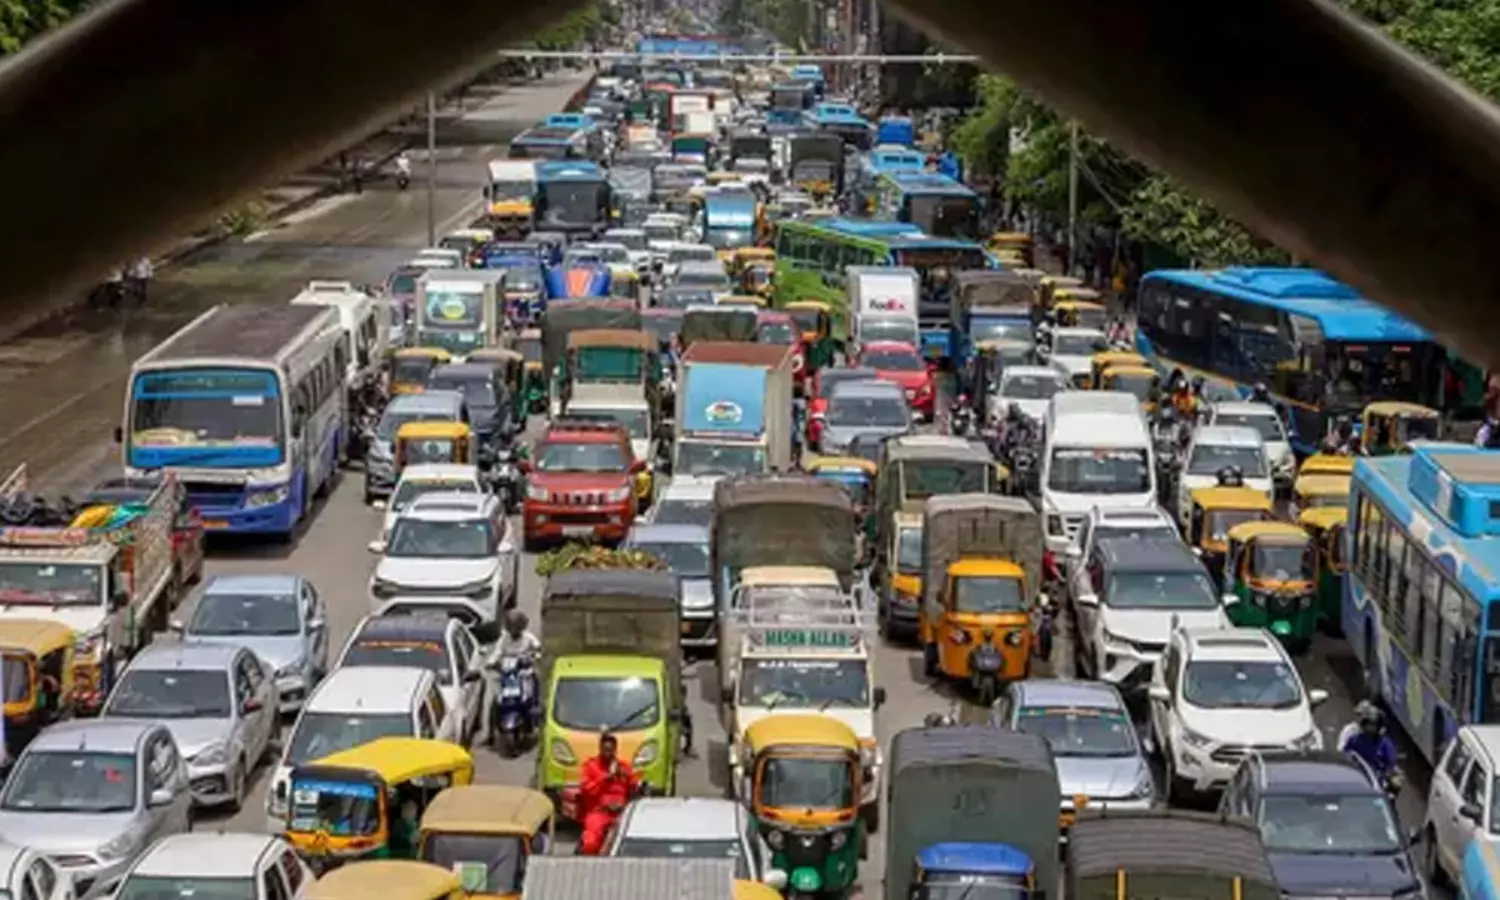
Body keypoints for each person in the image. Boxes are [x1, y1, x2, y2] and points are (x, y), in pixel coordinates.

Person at [577, 732, 639, 855]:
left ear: (615, 750)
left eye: (610, 750)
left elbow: (634, 789)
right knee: (590, 844)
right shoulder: (590, 766)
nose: (608, 753)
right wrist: (606, 778)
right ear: (600, 749)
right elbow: (586, 790)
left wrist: (627, 778)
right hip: (599, 812)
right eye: (605, 750)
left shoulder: (624, 767)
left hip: (621, 813)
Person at [1340, 700, 1399, 783]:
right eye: (1368, 724)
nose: (1370, 727)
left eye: (1373, 725)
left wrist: (1388, 776)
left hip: (1377, 780)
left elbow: (1391, 764)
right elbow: (1346, 755)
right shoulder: (1355, 739)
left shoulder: (1385, 743)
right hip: (1357, 776)